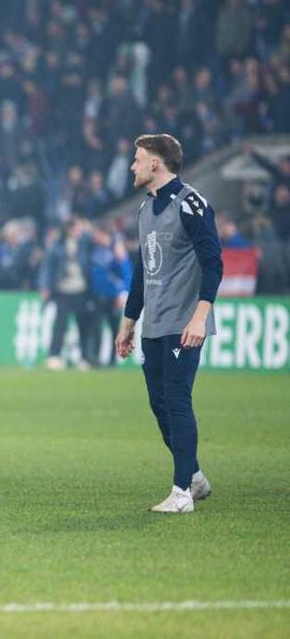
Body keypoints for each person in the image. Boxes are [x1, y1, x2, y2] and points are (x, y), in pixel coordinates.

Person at [116, 134, 221, 513]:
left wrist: (200, 316)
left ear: (155, 163)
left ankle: (181, 494)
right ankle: (194, 476)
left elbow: (213, 263)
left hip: (184, 323)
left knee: (176, 399)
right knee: (159, 405)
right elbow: (142, 272)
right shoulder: (145, 210)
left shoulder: (191, 204)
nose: (132, 166)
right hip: (155, 323)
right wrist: (129, 322)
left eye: (137, 159)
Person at [39, 219, 96, 371]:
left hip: (81, 289)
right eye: (76, 229)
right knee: (60, 324)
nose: (79, 231)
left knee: (83, 325)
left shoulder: (85, 244)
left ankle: (84, 357)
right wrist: (45, 286)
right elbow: (48, 266)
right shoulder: (57, 245)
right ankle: (54, 356)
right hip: (63, 289)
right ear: (69, 229)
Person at [88, 225, 132, 366]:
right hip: (97, 296)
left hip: (113, 297)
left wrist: (123, 293)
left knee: (114, 328)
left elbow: (126, 273)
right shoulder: (94, 250)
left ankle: (113, 359)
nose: (95, 237)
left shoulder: (117, 250)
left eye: (98, 234)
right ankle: (95, 358)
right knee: (96, 328)